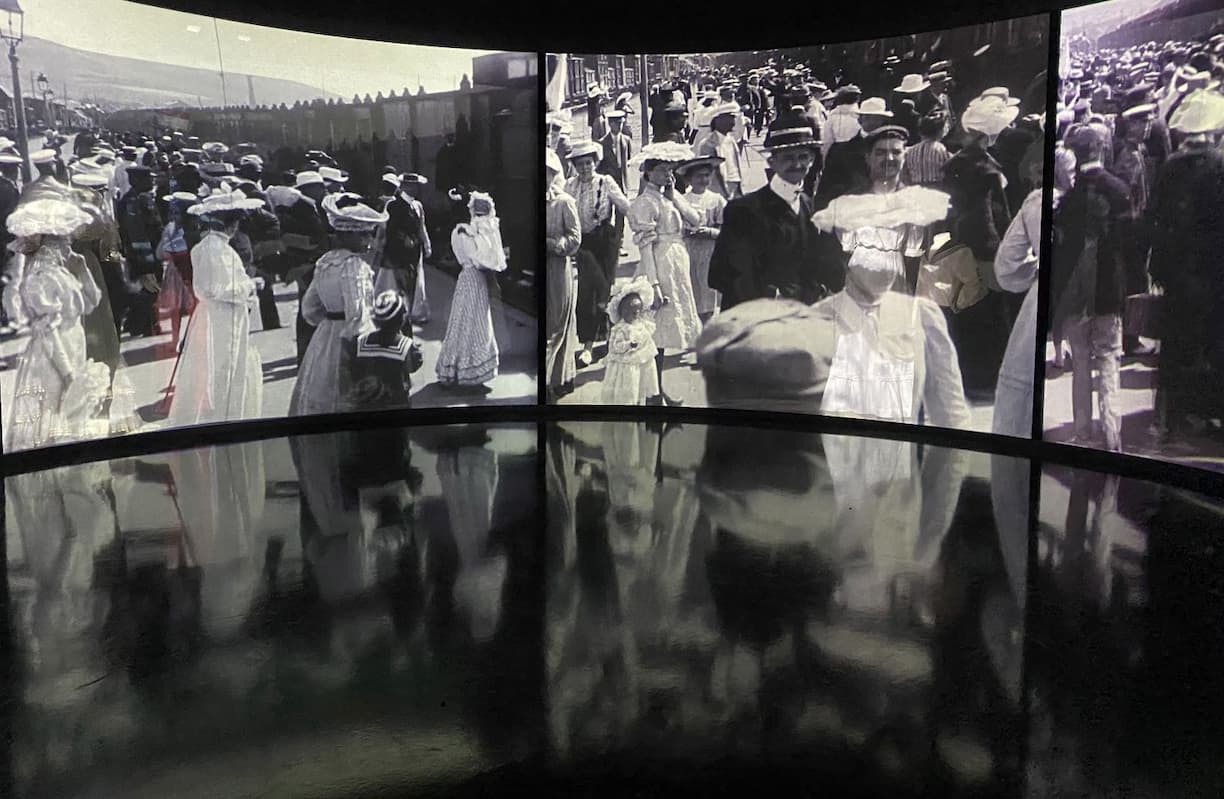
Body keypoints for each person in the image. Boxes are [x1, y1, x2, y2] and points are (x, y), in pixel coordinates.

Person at [708, 114, 845, 311]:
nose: (796, 164)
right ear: (772, 162)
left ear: (812, 161)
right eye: (788, 158)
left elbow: (829, 265)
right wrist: (771, 295)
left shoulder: (812, 208)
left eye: (803, 157)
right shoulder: (744, 210)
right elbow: (721, 274)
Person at [4, 197, 109, 451]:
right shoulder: (40, 278)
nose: (68, 246)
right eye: (64, 241)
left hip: (73, 342)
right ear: (51, 245)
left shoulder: (62, 272)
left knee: (72, 414)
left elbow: (91, 302)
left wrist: (83, 271)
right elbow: (48, 332)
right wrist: (68, 372)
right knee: (54, 413)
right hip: (53, 357)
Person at [1053, 125, 1133, 452]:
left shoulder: (1067, 199)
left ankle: (1083, 433)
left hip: (1074, 293)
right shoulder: (1119, 189)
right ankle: (1112, 433)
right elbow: (1129, 243)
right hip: (1109, 289)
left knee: (1082, 364)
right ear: (1102, 148)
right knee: (1109, 359)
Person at [167, 187, 267, 428]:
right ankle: (224, 419)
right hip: (221, 317)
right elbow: (217, 288)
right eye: (236, 223)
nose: (236, 229)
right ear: (229, 224)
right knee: (222, 368)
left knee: (219, 366)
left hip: (217, 315)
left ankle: (224, 416)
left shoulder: (210, 246)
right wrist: (250, 286)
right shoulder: (215, 249)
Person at [942, 94, 1018, 400]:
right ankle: (984, 379)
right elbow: (985, 216)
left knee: (966, 312)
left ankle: (969, 375)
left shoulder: (957, 163)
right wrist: (996, 252)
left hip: (958, 246)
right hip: (983, 250)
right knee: (989, 314)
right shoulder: (984, 169)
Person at [289, 192, 384, 416]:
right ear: (349, 236)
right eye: (364, 236)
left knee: (321, 384)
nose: (369, 242)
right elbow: (357, 314)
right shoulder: (354, 267)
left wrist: (328, 321)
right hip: (350, 338)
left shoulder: (325, 262)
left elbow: (310, 308)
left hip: (325, 335)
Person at [626, 142, 703, 406]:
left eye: (670, 170)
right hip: (659, 264)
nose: (668, 175)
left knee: (667, 332)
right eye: (661, 170)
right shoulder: (644, 203)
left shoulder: (666, 197)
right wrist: (654, 284)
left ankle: (655, 392)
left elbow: (696, 220)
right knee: (656, 332)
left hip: (677, 261)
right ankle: (652, 394)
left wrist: (674, 196)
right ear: (647, 173)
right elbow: (645, 246)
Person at [565, 140, 631, 367]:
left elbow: (625, 207)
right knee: (586, 295)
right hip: (583, 245)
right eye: (580, 164)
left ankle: (611, 339)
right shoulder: (569, 186)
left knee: (604, 292)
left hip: (605, 241)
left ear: (595, 163)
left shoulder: (606, 182)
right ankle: (587, 345)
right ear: (574, 165)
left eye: (588, 163)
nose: (584, 168)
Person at [436, 190, 508, 390]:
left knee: (462, 321)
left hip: (466, 279)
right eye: (482, 211)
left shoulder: (462, 232)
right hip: (474, 279)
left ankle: (458, 367)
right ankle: (469, 369)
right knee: (473, 322)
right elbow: (484, 260)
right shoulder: (472, 232)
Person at [343, 290, 423, 411]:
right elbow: (413, 367)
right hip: (396, 405)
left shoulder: (361, 342)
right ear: (401, 319)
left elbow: (353, 368)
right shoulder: (406, 346)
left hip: (365, 404)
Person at [546, 150, 581, 401]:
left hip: (557, 267)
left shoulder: (563, 202)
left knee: (557, 322)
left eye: (547, 173)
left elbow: (575, 238)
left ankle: (556, 378)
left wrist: (554, 244)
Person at [375, 172, 432, 324]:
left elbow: (421, 226)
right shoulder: (393, 205)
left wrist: (426, 244)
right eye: (410, 186)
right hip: (397, 253)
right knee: (395, 283)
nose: (414, 189)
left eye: (416, 186)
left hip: (414, 252)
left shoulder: (417, 205)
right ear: (403, 186)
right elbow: (390, 229)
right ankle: (392, 314)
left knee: (414, 281)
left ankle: (413, 312)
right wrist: (404, 239)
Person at [116, 164, 164, 338]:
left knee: (143, 288)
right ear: (135, 180)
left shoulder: (125, 200)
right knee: (151, 289)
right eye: (147, 178)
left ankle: (137, 324)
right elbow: (155, 228)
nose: (151, 181)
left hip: (134, 254)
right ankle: (148, 326)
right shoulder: (144, 200)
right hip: (149, 255)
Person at [677, 155, 726, 321]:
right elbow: (676, 227)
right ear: (689, 179)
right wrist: (685, 231)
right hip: (689, 251)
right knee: (692, 294)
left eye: (707, 175)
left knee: (708, 295)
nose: (703, 179)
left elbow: (727, 230)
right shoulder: (683, 201)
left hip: (710, 253)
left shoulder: (716, 200)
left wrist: (710, 232)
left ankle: (708, 329)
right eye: (698, 176)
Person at [601, 277, 660, 405]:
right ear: (622, 312)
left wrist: (657, 307)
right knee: (628, 393)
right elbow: (616, 346)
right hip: (627, 365)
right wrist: (628, 344)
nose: (635, 315)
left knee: (640, 389)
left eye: (637, 312)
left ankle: (640, 404)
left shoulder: (640, 323)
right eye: (631, 312)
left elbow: (650, 314)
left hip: (641, 362)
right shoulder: (621, 329)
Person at [155, 191, 200, 353]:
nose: (173, 216)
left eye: (177, 212)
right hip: (176, 272)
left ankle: (192, 340)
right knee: (176, 309)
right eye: (172, 212)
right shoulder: (170, 228)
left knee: (195, 307)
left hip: (192, 271)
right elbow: (160, 252)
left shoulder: (196, 229)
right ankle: (175, 340)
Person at [695, 103, 744, 200]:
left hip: (735, 184)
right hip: (719, 189)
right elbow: (711, 172)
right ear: (717, 120)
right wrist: (725, 191)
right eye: (729, 118)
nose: (733, 122)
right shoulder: (707, 144)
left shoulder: (730, 139)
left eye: (733, 118)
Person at [901, 111, 951, 188]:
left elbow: (904, 175)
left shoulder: (909, 151)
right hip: (936, 188)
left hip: (914, 188)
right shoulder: (942, 149)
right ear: (940, 131)